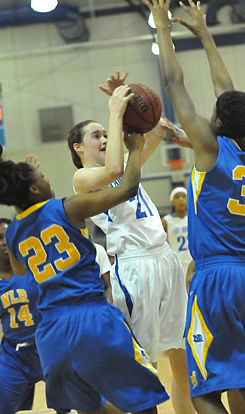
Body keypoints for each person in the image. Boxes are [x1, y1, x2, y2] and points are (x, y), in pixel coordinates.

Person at [0, 86, 170, 414]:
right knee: (140, 402)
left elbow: (22, 273)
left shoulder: (15, 232)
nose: (50, 180)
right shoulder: (67, 208)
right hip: (92, 316)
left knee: (89, 408)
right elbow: (128, 186)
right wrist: (134, 148)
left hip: (50, 332)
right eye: (43, 176)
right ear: (35, 187)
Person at [68, 71, 195, 414]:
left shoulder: (127, 166)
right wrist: (113, 112)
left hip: (166, 259)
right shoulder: (83, 179)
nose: (105, 137)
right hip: (135, 268)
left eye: (107, 133)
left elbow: (154, 131)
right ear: (79, 148)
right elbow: (112, 173)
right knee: (140, 366)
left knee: (183, 360)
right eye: (97, 135)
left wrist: (129, 106)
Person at [143, 0, 245, 413]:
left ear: (216, 123)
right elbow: (229, 92)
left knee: (202, 391)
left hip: (218, 278)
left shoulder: (210, 148)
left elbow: (173, 82)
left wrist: (163, 28)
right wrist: (205, 35)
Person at [0, 218, 58, 414]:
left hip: (49, 348)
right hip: (15, 355)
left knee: (76, 404)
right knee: (1, 409)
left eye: (9, 236)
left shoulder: (36, 266)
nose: (5, 241)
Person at [162, 187, 192, 274]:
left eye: (183, 196)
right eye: (177, 197)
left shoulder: (193, 217)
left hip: (192, 262)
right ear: (172, 201)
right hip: (176, 263)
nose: (181, 199)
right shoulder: (166, 221)